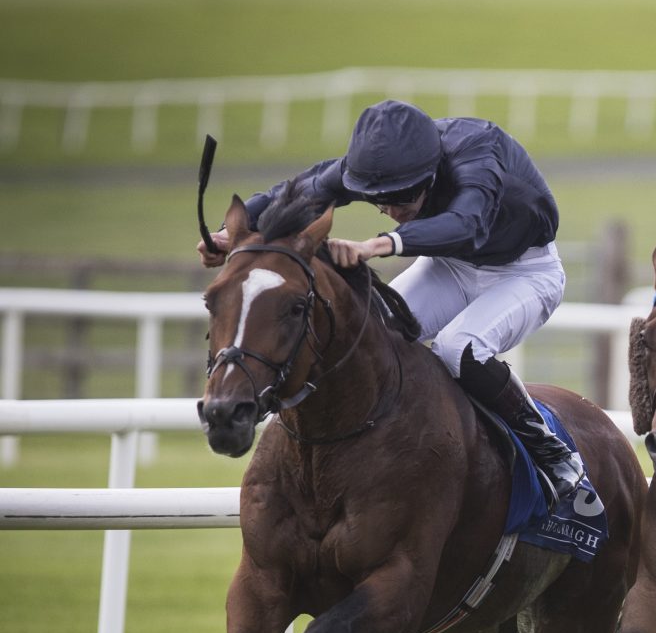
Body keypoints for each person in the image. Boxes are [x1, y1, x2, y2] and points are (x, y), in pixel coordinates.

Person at [197, 99, 585, 509]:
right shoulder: (382, 163)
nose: (391, 209)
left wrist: (380, 243)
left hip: (526, 272)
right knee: (374, 331)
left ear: (431, 173)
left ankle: (551, 450)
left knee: (459, 347)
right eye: (379, 200)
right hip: (450, 266)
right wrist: (226, 235)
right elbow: (294, 191)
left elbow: (468, 224)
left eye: (402, 198)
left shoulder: (477, 149)